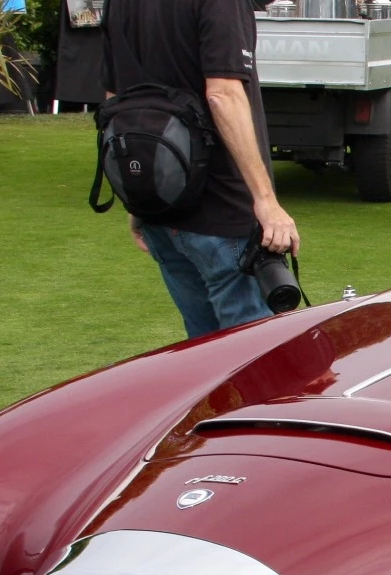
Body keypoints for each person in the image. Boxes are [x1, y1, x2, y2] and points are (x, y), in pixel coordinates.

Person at [104, 0, 299, 338]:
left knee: (206, 357)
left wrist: (136, 197)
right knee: (255, 359)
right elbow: (222, 95)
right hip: (220, 209)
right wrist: (266, 201)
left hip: (159, 205)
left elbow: (114, 101)